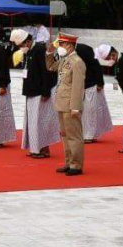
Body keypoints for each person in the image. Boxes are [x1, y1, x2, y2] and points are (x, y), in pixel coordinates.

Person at [11, 29, 59, 159]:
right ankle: (35, 147)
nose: (21, 48)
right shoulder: (29, 51)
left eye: (21, 45)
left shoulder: (39, 50)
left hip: (40, 92)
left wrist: (45, 91)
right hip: (31, 90)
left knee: (40, 122)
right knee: (32, 122)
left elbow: (47, 71)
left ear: (28, 41)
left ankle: (43, 149)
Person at [45, 34, 86, 176]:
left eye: (61, 44)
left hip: (70, 104)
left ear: (69, 46)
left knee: (74, 136)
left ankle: (76, 165)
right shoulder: (65, 60)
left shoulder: (77, 62)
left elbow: (78, 86)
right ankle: (69, 162)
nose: (59, 47)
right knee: (64, 135)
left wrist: (75, 107)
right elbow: (50, 67)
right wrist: (49, 53)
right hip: (61, 103)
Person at [78, 42, 114, 143]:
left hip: (91, 86)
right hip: (83, 85)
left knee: (90, 112)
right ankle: (87, 133)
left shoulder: (84, 51)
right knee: (85, 112)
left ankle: (89, 135)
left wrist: (100, 83)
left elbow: (96, 67)